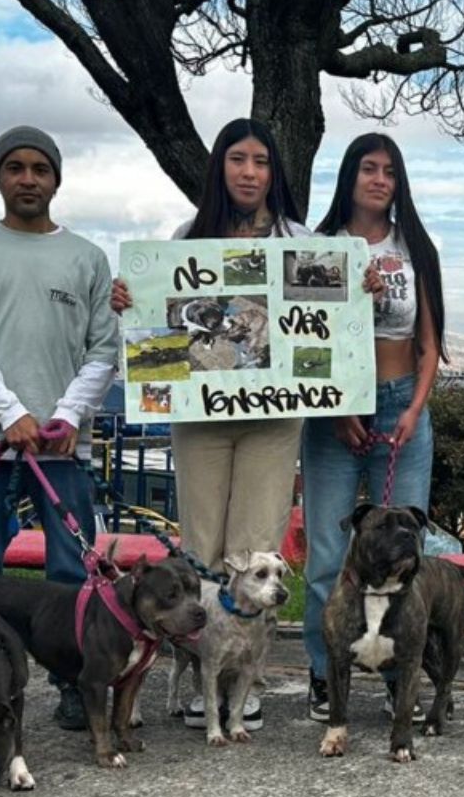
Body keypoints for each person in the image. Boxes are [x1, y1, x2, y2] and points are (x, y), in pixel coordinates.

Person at [110, 118, 315, 733]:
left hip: (275, 417)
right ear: (219, 169)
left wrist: (351, 287)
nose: (249, 172)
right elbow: (160, 336)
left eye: (260, 161)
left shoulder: (299, 239)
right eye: (237, 160)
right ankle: (200, 669)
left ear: (274, 172)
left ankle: (242, 682)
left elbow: (325, 324)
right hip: (201, 416)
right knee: (201, 548)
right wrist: (134, 303)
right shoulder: (184, 238)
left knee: (256, 544)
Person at [0, 126, 120, 732]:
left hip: (61, 450)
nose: (27, 179)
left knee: (72, 571)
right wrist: (9, 414)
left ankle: (74, 680)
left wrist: (67, 414)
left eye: (39, 169)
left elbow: (103, 350)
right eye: (15, 168)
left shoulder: (88, 258)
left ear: (56, 179)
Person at [300, 133, 446, 722]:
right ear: (350, 177)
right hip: (334, 411)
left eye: (390, 170)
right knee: (329, 553)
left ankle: (398, 680)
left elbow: (430, 343)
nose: (379, 179)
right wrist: (338, 408)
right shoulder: (320, 246)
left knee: (407, 549)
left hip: (400, 402)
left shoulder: (416, 247)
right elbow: (304, 340)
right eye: (368, 168)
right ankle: (322, 675)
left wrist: (413, 408)